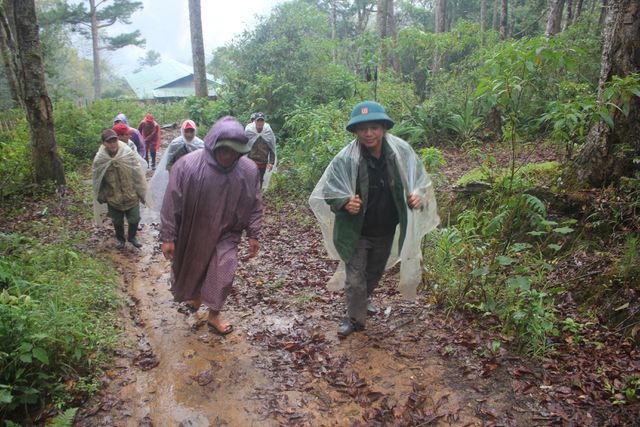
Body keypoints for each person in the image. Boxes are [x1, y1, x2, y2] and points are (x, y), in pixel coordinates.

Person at [309, 101, 439, 338]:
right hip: (355, 231)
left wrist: (417, 195)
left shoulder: (400, 154)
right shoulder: (346, 159)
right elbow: (329, 191)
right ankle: (353, 317)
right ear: (355, 131)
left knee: (373, 273)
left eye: (374, 127)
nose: (369, 133)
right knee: (355, 278)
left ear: (383, 128)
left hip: (385, 228)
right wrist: (344, 202)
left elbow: (420, 180)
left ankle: (362, 301)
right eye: (362, 128)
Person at [160, 116, 263, 335]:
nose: (228, 155)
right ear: (213, 145)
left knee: (224, 271)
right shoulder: (188, 166)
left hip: (228, 233)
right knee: (193, 269)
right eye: (224, 149)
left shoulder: (248, 170)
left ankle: (214, 314)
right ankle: (195, 296)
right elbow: (172, 202)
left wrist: (254, 233)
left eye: (234, 151)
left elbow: (255, 203)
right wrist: (168, 236)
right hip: (194, 230)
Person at [92, 129, 148, 249]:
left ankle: (132, 237)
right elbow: (98, 180)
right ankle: (120, 239)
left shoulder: (127, 153)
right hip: (113, 197)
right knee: (117, 222)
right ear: (103, 143)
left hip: (131, 195)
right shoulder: (100, 160)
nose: (113, 144)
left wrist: (142, 193)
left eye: (114, 140)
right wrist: (102, 196)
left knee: (134, 219)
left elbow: (138, 174)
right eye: (109, 142)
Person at [147, 119, 205, 210]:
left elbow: (204, 164)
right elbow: (169, 162)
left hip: (195, 177)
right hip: (179, 176)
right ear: (182, 131)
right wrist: (173, 176)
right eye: (187, 131)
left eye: (191, 131)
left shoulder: (200, 145)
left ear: (195, 131)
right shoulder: (176, 144)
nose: (189, 134)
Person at [245, 112, 276, 188]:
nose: (260, 123)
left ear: (264, 122)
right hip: (251, 161)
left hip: (262, 162)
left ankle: (257, 197)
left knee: (260, 181)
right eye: (258, 121)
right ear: (254, 122)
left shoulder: (268, 133)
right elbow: (243, 146)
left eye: (261, 121)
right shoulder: (249, 132)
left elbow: (272, 148)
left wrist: (271, 162)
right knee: (250, 180)